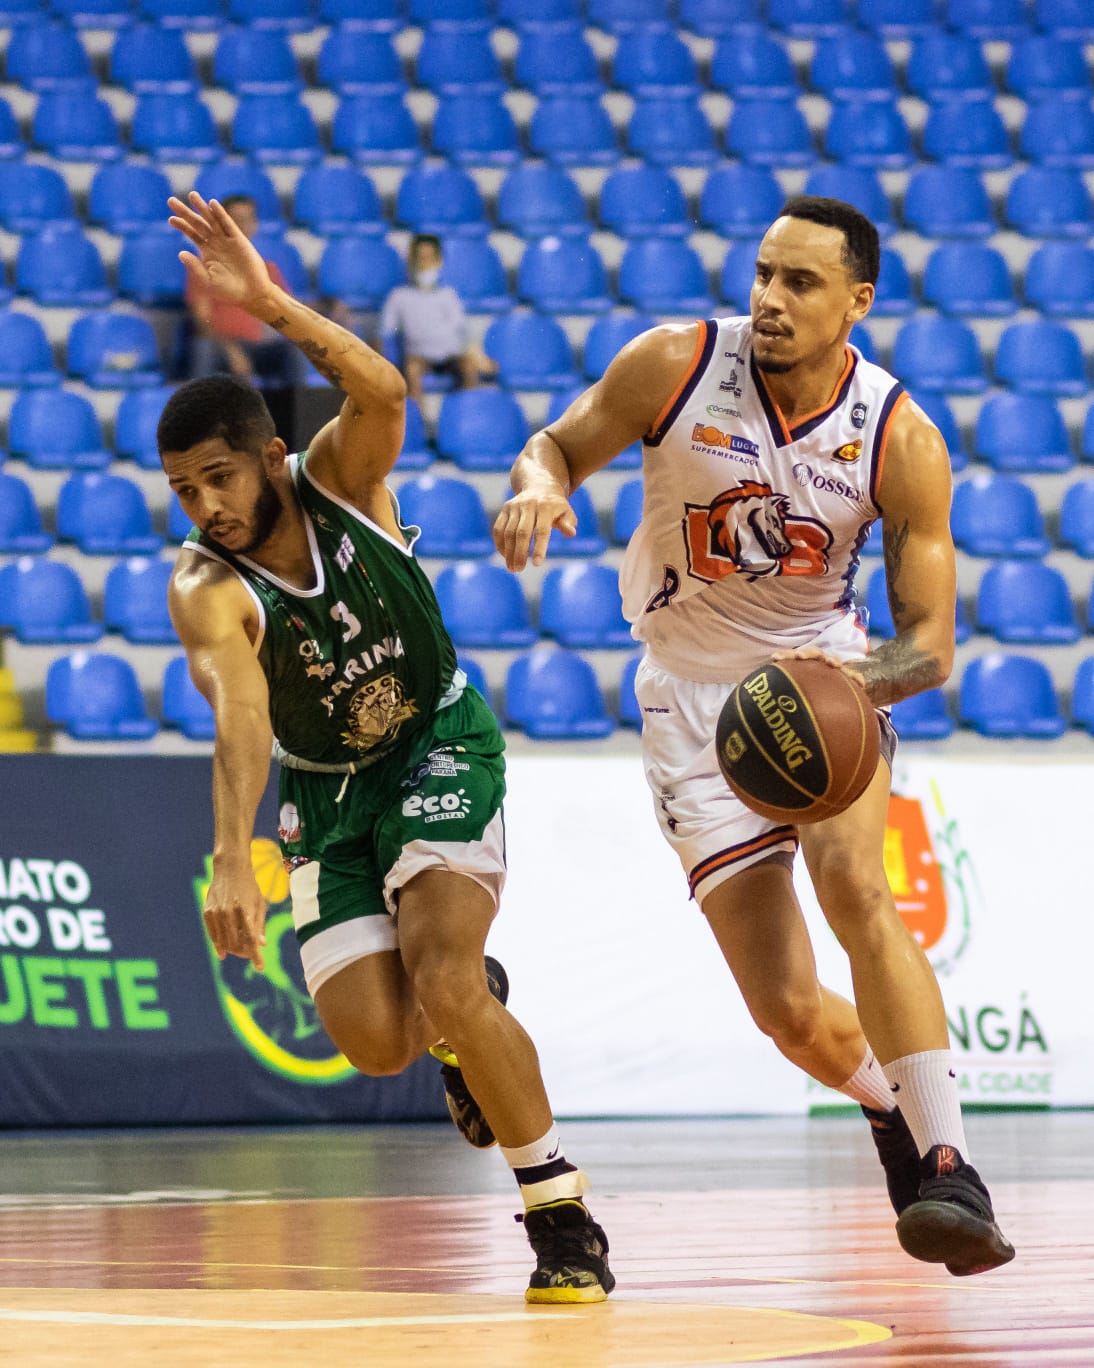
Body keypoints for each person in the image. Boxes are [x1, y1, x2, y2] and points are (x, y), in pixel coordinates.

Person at [494, 196, 1014, 1279]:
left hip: (818, 678)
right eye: (764, 274)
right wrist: (539, 488)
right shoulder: (674, 365)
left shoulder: (898, 437)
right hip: (686, 701)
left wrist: (850, 684)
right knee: (785, 1012)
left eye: (800, 282)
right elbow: (557, 445)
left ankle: (950, 1164)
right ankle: (887, 1108)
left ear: (856, 301)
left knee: (856, 889)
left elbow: (928, 649)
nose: (771, 299)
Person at [160, 190, 614, 1305]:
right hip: (325, 794)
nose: (206, 505)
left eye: (220, 477)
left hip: (433, 743)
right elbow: (241, 715)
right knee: (373, 1042)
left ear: (270, 456)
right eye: (184, 490)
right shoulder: (205, 585)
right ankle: (464, 1025)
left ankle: (560, 1218)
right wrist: (229, 857)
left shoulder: (340, 477)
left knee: (443, 974)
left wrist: (269, 304)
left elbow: (385, 389)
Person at [185, 193, 305, 388]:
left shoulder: (267, 269)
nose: (242, 226)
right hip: (221, 347)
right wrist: (232, 350)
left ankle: (296, 407)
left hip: (258, 347)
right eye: (235, 220)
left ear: (255, 225)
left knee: (293, 350)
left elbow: (290, 309)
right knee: (204, 348)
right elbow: (202, 322)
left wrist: (328, 304)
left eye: (247, 220)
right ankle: (198, 405)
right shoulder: (204, 268)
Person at [379, 233, 492, 404]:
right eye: (420, 258)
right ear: (411, 261)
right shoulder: (399, 296)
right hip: (419, 357)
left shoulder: (448, 295)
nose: (424, 264)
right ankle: (419, 416)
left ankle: (467, 412)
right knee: (412, 369)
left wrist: (478, 357)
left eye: (429, 258)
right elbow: (384, 333)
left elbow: (463, 331)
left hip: (450, 356)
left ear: (439, 262)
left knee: (469, 368)